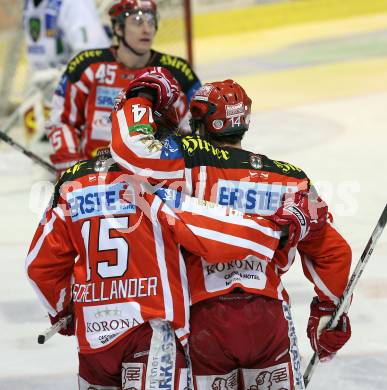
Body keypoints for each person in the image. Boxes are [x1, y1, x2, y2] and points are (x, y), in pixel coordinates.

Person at [108, 68, 353, 389]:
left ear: (200, 123)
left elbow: (133, 148)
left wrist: (141, 97)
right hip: (269, 317)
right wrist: (330, 310)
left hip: (204, 317)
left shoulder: (188, 163)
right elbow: (333, 251)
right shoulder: (291, 177)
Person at [27, 139, 322, 388]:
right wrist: (276, 232)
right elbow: (213, 231)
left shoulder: (70, 185)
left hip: (93, 339)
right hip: (150, 331)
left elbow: (39, 266)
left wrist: (61, 312)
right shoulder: (153, 184)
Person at [47, 0, 201, 175]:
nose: (146, 29)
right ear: (118, 29)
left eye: (151, 22)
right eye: (137, 21)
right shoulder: (86, 66)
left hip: (152, 180)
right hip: (94, 178)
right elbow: (62, 121)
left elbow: (196, 129)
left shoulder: (178, 73)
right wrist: (71, 166)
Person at [22, 0, 110, 141]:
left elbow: (93, 55)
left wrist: (60, 78)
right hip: (47, 98)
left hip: (81, 101)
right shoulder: (30, 4)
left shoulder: (74, 4)